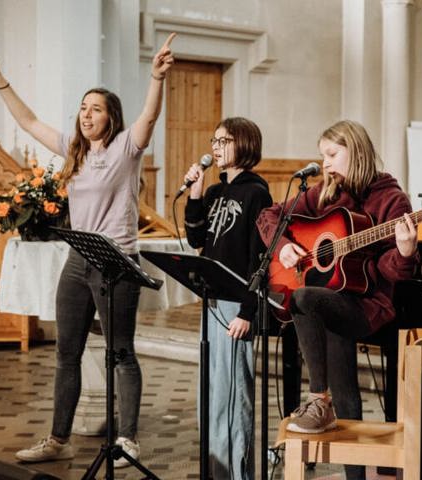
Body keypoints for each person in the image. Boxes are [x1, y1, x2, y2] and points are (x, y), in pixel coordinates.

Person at [0, 34, 177, 467]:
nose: (87, 115)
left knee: (120, 352)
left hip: (118, 263)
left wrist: (156, 77)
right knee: (65, 352)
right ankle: (57, 439)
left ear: (111, 118)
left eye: (96, 109)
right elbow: (30, 121)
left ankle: (128, 440)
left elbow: (150, 114)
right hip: (78, 261)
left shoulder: (127, 148)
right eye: (83, 108)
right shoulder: (74, 152)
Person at [256, 119, 418, 480]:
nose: (325, 163)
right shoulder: (324, 193)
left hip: (368, 305)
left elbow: (395, 274)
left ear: (355, 151)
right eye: (322, 156)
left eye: (332, 154)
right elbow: (268, 216)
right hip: (330, 297)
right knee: (345, 391)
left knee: (305, 297)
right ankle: (352, 471)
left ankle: (317, 400)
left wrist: (405, 252)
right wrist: (283, 249)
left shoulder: (392, 200)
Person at [183, 117, 272, 480]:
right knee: (212, 395)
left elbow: (259, 259)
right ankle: (216, 470)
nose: (216, 147)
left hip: (238, 306)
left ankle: (239, 474)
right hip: (213, 302)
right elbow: (195, 238)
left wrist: (249, 311)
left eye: (224, 140)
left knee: (236, 398)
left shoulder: (257, 193)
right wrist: (194, 193)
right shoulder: (216, 192)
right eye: (214, 140)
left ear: (245, 144)